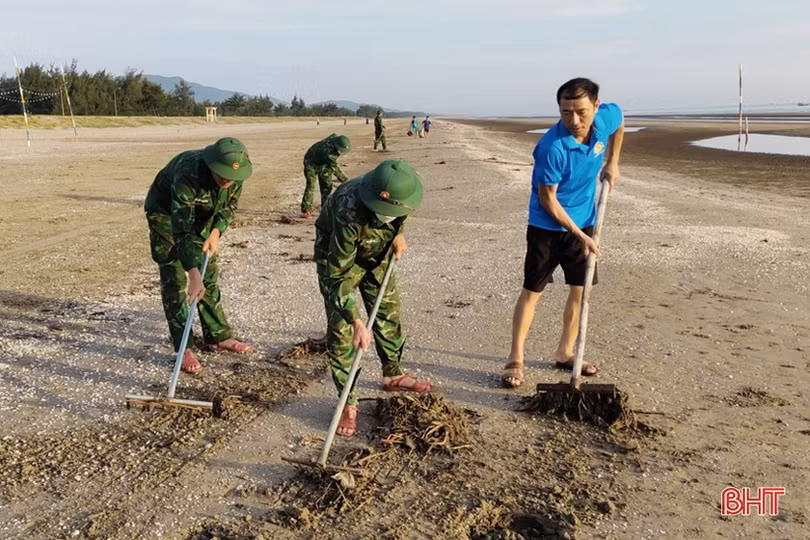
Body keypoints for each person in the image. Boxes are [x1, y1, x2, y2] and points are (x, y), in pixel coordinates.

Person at [502, 77, 625, 388]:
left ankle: (566, 353)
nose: (573, 120)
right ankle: (515, 358)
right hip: (547, 226)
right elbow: (548, 200)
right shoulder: (551, 147)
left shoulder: (604, 119)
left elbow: (620, 120)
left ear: (596, 106)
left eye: (581, 112)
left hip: (584, 220)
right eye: (565, 112)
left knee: (580, 289)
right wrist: (581, 236)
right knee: (532, 291)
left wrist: (613, 161)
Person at [315, 160, 433, 436]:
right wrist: (355, 320)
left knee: (388, 312)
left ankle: (393, 373)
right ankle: (348, 401)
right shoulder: (348, 211)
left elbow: (403, 212)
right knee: (341, 330)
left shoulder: (406, 188)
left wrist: (398, 234)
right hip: (338, 258)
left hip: (378, 252)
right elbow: (337, 276)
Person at [144, 137, 255, 374]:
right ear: (212, 165)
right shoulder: (189, 172)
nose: (227, 181)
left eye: (232, 177)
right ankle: (183, 346)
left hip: (204, 217)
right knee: (175, 277)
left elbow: (229, 207)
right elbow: (181, 228)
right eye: (222, 175)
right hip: (166, 215)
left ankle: (218, 336)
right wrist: (192, 273)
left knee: (209, 273)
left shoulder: (235, 176)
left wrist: (216, 231)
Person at [300, 133, 352, 218]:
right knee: (311, 185)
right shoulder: (329, 154)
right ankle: (306, 209)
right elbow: (335, 170)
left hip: (323, 163)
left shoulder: (335, 139)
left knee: (327, 186)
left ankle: (325, 209)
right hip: (311, 162)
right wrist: (347, 181)